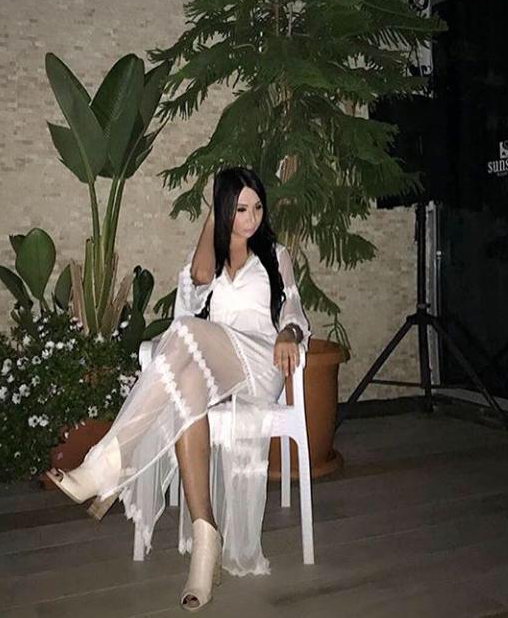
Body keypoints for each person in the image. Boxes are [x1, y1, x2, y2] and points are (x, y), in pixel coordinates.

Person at [46, 166, 311, 611]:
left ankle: (106, 464)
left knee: (185, 332)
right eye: (240, 209)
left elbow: (294, 307)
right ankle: (206, 545)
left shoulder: (275, 255)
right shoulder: (210, 256)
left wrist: (289, 332)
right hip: (216, 368)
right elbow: (200, 279)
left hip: (258, 363)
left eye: (257, 208)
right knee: (188, 391)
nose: (251, 218)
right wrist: (213, 215)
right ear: (223, 210)